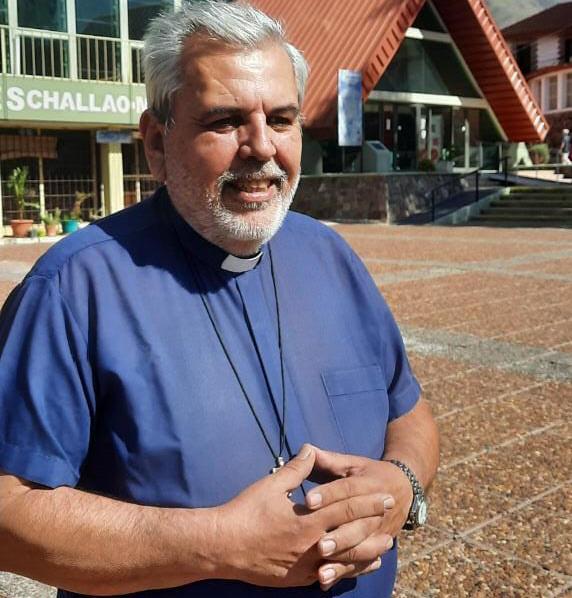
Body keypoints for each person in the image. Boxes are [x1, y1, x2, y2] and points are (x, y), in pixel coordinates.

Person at [0, 2, 439, 597]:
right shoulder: (74, 289)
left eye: (281, 119)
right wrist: (216, 544)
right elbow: (9, 511)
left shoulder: (332, 257)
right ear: (156, 143)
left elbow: (408, 413)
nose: (261, 147)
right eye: (226, 121)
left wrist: (403, 486)